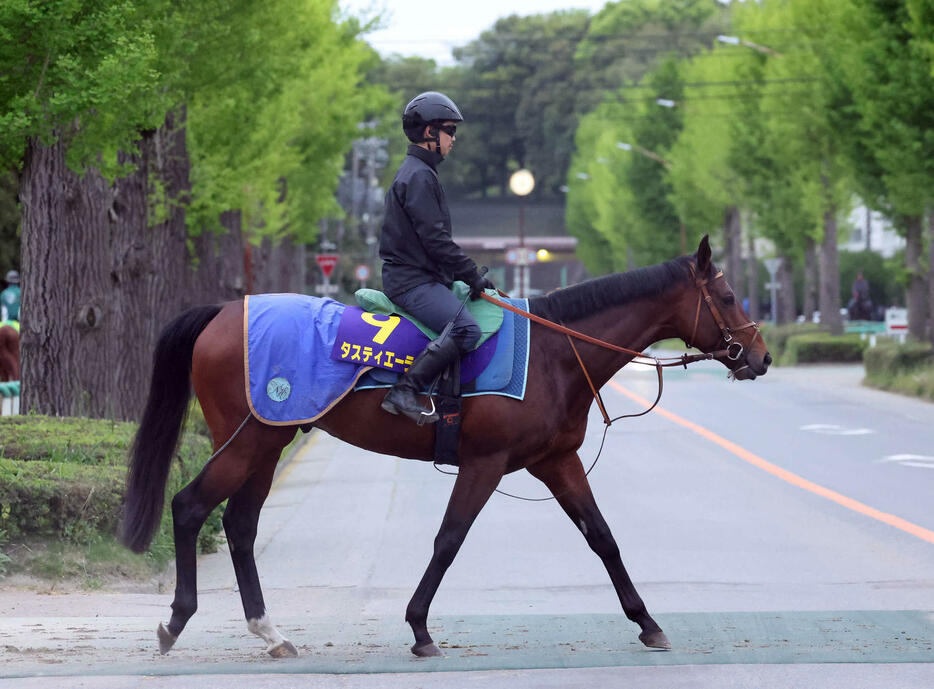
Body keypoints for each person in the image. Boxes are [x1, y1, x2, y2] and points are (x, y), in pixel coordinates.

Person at [378, 91, 494, 424]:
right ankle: (405, 390)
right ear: (430, 133)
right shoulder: (418, 176)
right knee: (467, 330)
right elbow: (435, 240)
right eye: (449, 131)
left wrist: (463, 276)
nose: (453, 139)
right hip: (411, 283)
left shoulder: (420, 172)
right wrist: (470, 274)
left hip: (422, 278)